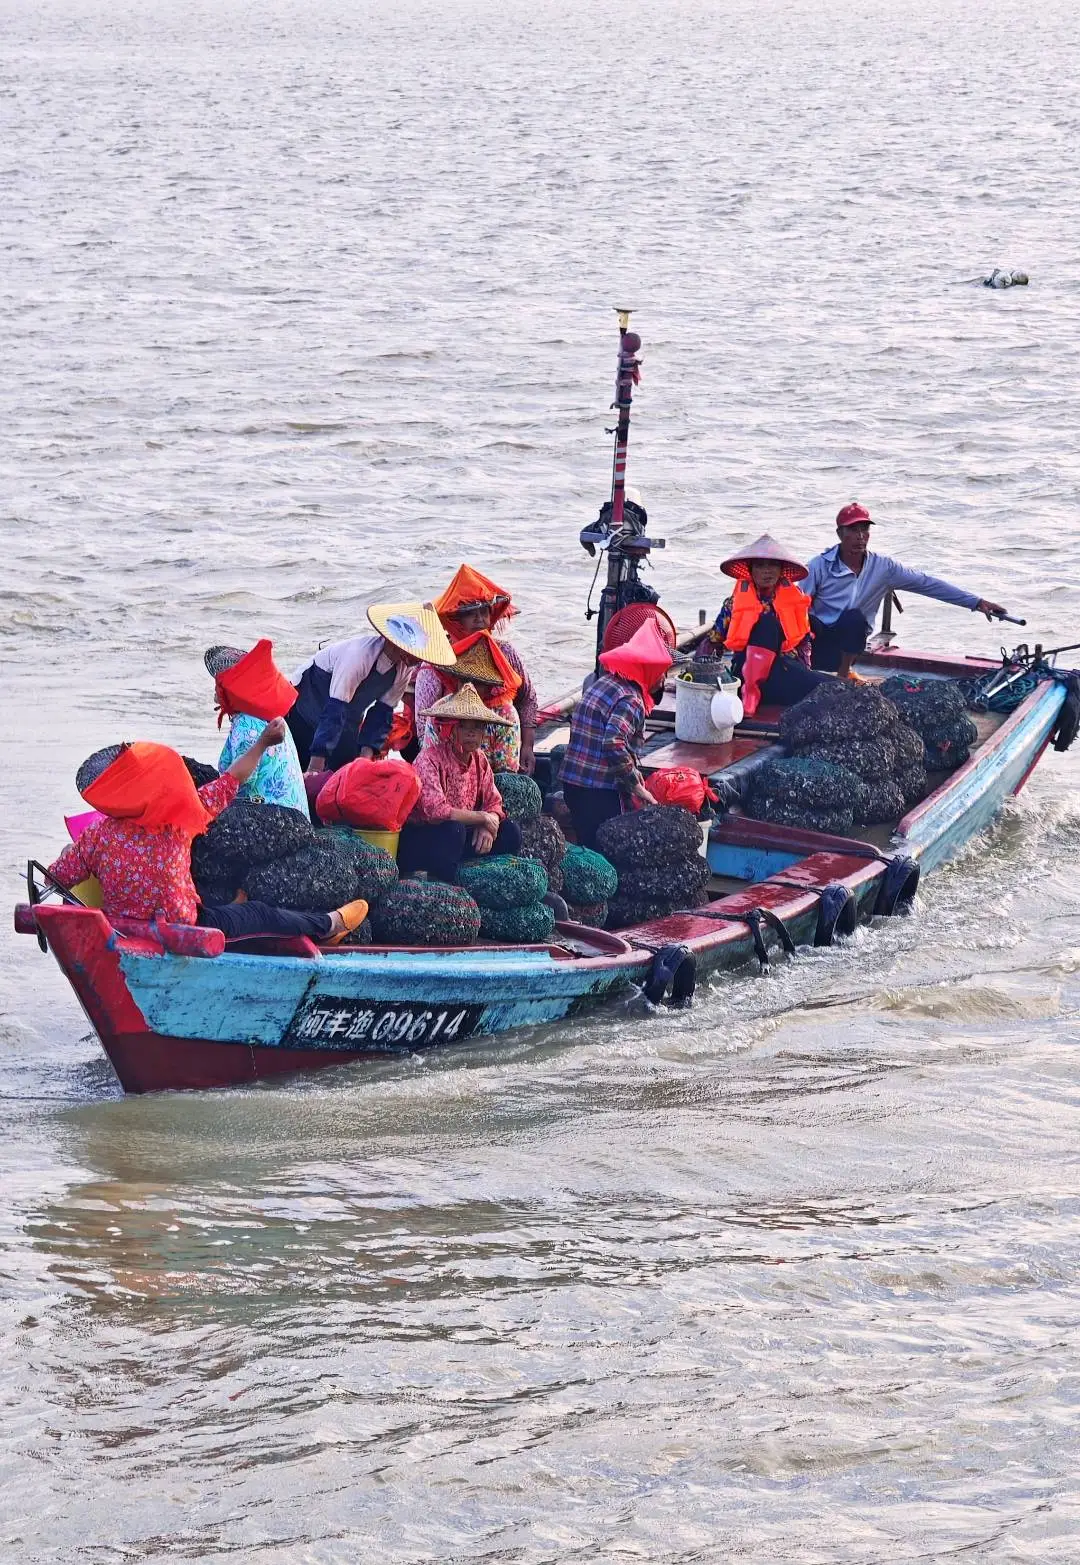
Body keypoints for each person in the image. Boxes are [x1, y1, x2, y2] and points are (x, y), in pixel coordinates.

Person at [47, 724, 368, 944]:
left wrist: (66, 857)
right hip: (186, 928)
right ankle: (329, 925)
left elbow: (55, 878)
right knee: (260, 913)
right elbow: (232, 780)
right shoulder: (178, 820)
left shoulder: (97, 836)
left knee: (216, 895)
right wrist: (263, 743)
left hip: (127, 930)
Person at [803, 503, 1010, 679]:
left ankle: (843, 675)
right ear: (840, 533)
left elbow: (927, 583)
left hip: (850, 643)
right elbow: (795, 602)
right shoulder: (819, 565)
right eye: (853, 530)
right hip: (818, 640)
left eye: (864, 530)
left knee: (854, 618)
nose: (859, 537)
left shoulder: (884, 567)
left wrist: (976, 602)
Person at [288, 601, 455, 774]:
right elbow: (334, 710)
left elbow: (382, 713)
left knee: (346, 766)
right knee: (305, 761)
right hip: (313, 698)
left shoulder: (403, 670)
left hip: (349, 713)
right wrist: (315, 768)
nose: (418, 659)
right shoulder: (359, 656)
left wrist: (364, 762)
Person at [560, 618, 673, 850]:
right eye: (662, 673)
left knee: (586, 850)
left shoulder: (604, 683)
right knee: (604, 855)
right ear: (648, 670)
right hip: (598, 791)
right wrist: (635, 785)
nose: (663, 679)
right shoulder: (632, 699)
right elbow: (614, 742)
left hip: (573, 782)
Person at [397, 683, 522, 882]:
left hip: (462, 834)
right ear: (451, 730)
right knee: (452, 830)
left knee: (510, 831)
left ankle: (483, 875)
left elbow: (494, 802)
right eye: (464, 726)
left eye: (477, 727)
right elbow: (436, 811)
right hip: (426, 836)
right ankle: (445, 880)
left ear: (483, 734)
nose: (471, 733)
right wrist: (481, 817)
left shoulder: (480, 759)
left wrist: (489, 824)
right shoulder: (429, 758)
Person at [703, 534, 834, 716]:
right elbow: (712, 642)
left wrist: (804, 673)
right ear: (751, 570)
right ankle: (750, 692)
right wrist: (700, 676)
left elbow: (804, 644)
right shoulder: (733, 604)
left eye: (772, 565)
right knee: (767, 624)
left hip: (784, 673)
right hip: (743, 675)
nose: (767, 571)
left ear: (781, 570)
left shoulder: (795, 601)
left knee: (836, 688)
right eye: (760, 565)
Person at [426, 565, 539, 773]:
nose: (479, 619)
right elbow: (423, 721)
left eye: (483, 612)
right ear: (457, 620)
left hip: (499, 737)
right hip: (451, 738)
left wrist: (528, 746)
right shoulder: (439, 658)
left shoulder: (505, 652)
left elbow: (527, 698)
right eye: (471, 614)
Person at [204, 640, 309, 816]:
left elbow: (239, 782)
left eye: (218, 683)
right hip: (293, 814)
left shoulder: (245, 724)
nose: (216, 688)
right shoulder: (269, 716)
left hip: (269, 819)